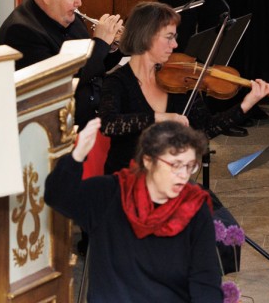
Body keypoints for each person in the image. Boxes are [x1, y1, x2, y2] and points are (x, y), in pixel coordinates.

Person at [44, 118, 222, 302]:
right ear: (148, 161)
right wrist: (78, 154)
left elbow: (206, 280)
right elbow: (57, 196)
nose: (184, 175)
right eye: (175, 165)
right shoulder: (108, 194)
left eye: (189, 166)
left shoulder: (194, 206)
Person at [98, 2, 269, 173]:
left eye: (175, 37)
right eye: (169, 37)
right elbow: (109, 124)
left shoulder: (179, 80)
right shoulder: (117, 81)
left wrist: (245, 105)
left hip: (170, 179)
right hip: (127, 181)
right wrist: (160, 118)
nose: (175, 45)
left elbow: (205, 129)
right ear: (145, 37)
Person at [0, 0, 124, 125]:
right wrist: (100, 43)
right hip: (56, 127)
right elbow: (62, 82)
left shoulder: (70, 17)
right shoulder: (22, 32)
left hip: (92, 114)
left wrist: (112, 47)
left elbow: (92, 66)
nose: (79, 3)